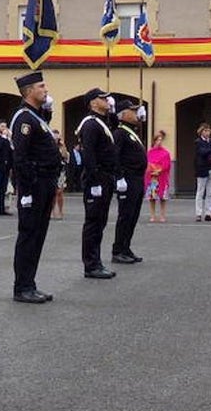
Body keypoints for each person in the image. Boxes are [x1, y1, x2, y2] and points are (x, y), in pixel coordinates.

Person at [10, 71, 59, 303]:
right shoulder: (23, 119)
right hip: (35, 183)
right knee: (29, 235)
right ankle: (22, 287)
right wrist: (27, 191)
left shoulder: (35, 116)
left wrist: (47, 110)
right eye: (41, 86)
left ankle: (30, 283)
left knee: (38, 235)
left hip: (46, 182)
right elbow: (20, 157)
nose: (46, 89)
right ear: (29, 91)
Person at [76, 87, 118, 278]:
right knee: (93, 222)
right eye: (102, 98)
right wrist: (93, 181)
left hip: (105, 177)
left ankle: (96, 261)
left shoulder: (101, 122)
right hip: (97, 177)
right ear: (93, 102)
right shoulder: (91, 124)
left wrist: (114, 111)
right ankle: (91, 264)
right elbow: (89, 154)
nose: (107, 100)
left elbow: (112, 130)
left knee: (100, 221)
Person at [111, 97, 148, 263]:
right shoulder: (120, 133)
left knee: (133, 215)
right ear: (123, 114)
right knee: (125, 215)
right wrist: (119, 178)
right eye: (132, 111)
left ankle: (126, 247)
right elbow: (115, 157)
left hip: (138, 179)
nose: (136, 113)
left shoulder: (131, 131)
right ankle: (118, 250)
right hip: (128, 178)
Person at [193, 122, 211, 222]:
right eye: (205, 131)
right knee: (200, 191)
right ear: (201, 132)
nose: (207, 133)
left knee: (210, 192)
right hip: (202, 169)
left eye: (208, 131)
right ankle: (198, 213)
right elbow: (203, 152)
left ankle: (208, 213)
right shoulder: (198, 142)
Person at [146, 130, 172, 223]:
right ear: (154, 141)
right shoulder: (149, 152)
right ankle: (152, 215)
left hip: (162, 178)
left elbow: (167, 165)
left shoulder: (165, 153)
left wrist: (160, 170)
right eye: (157, 140)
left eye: (161, 140)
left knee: (163, 198)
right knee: (152, 198)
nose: (159, 142)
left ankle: (162, 215)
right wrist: (152, 170)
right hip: (153, 178)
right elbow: (147, 163)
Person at [51, 130, 68, 219]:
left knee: (59, 192)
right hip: (52, 170)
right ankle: (53, 210)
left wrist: (63, 145)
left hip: (61, 171)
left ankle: (60, 211)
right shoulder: (49, 146)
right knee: (53, 193)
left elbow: (65, 156)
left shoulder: (61, 147)